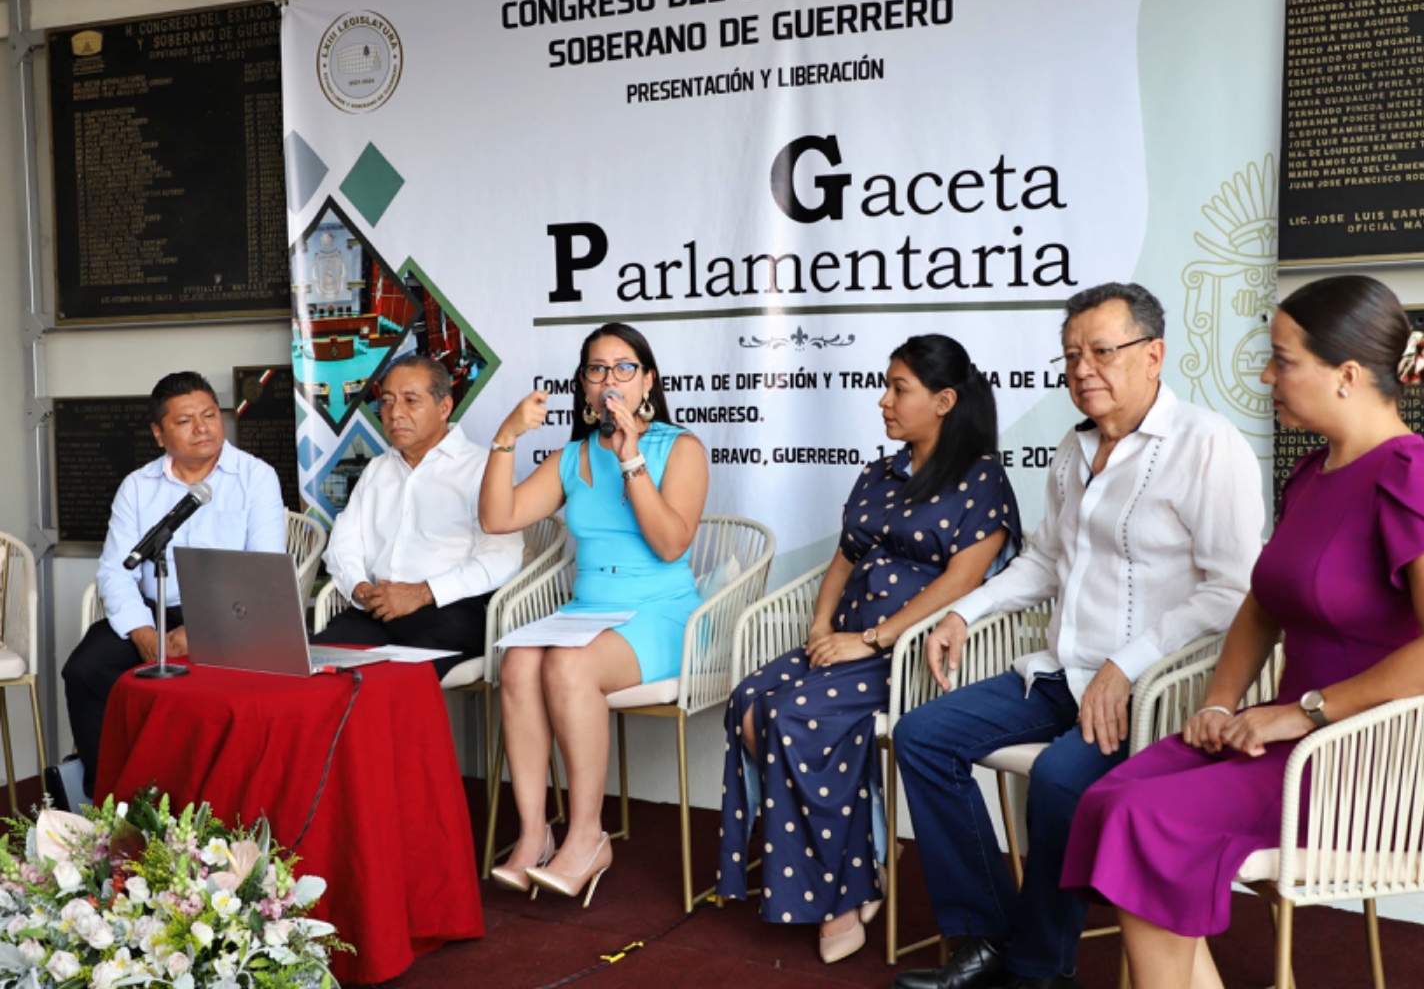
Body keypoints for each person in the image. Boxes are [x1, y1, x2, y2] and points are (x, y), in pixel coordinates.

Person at [1060, 274, 1424, 989]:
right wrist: (1221, 702)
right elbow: (1261, 603)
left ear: (1346, 375)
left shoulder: (1420, 474)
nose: (1266, 376)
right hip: (1280, 740)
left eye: (1283, 360)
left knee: (1143, 817)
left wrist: (1303, 712)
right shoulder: (1313, 473)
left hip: (1366, 759)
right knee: (1110, 798)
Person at [892, 284, 1264, 989]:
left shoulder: (1207, 446)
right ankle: (988, 936)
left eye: (1101, 351)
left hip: (1153, 689)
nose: (1082, 369)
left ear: (1153, 355)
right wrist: (962, 613)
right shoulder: (1074, 445)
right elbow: (1043, 561)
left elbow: (1233, 589)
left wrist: (1127, 666)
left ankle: (1039, 970)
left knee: (1061, 781)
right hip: (1063, 671)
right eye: (1071, 356)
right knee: (922, 735)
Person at [715, 335, 1023, 964]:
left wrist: (873, 639)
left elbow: (962, 580)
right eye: (885, 386)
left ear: (943, 401)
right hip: (850, 641)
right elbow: (845, 557)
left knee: (796, 715)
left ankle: (844, 892)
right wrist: (822, 627)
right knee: (749, 701)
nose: (883, 401)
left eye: (898, 389)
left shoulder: (981, 477)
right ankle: (868, 849)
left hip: (914, 653)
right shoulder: (879, 473)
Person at [478, 322, 709, 903]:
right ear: (582, 386)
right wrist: (505, 436)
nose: (611, 381)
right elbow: (498, 518)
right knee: (519, 660)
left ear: (647, 380)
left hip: (659, 613)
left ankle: (588, 835)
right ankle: (534, 833)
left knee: (569, 666)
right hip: (588, 612)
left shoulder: (679, 448)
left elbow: (670, 545)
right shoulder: (570, 456)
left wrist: (631, 460)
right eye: (597, 370)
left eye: (624, 368)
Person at [63, 372, 286, 797]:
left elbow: (261, 571)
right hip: (153, 610)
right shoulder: (138, 486)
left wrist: (203, 630)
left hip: (233, 614)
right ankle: (109, 799)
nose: (203, 428)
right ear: (158, 433)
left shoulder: (256, 477)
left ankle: (201, 797)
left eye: (210, 415)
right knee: (85, 670)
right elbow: (116, 570)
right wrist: (145, 634)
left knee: (212, 689)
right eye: (185, 421)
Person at [314, 355, 523, 679]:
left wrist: (422, 593)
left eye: (411, 401)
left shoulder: (482, 467)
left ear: (444, 408)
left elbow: (502, 560)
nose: (395, 413)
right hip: (376, 610)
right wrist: (359, 588)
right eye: (387, 402)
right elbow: (344, 541)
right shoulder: (377, 469)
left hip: (449, 612)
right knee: (311, 668)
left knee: (392, 682)